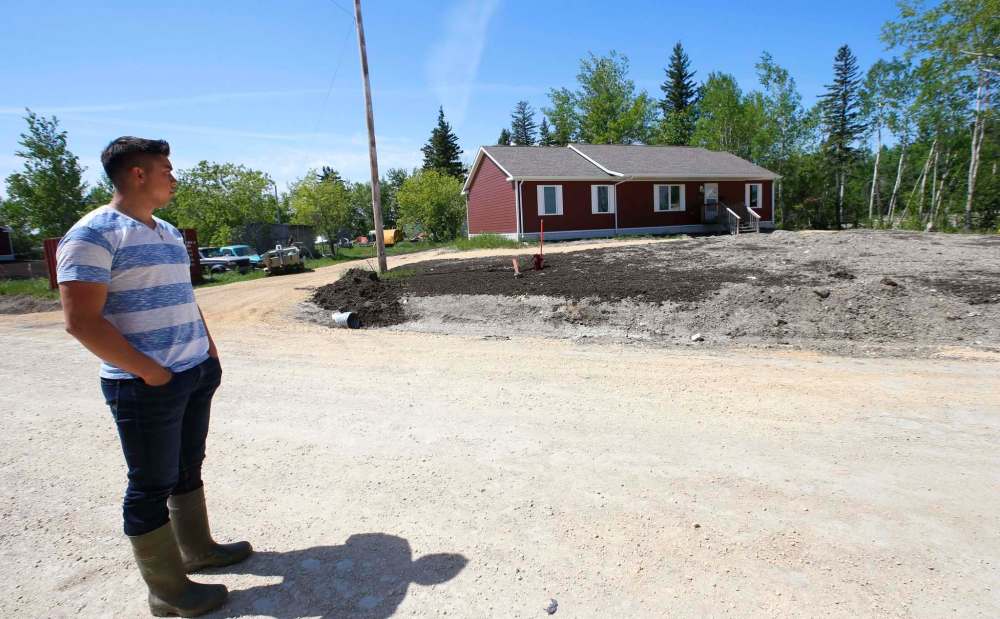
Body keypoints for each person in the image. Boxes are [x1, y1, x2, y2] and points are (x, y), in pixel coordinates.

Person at [56, 137, 251, 617]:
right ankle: (168, 593)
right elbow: (81, 321)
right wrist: (151, 373)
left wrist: (208, 353)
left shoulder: (164, 231)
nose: (174, 175)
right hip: (143, 386)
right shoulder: (93, 234)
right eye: (165, 168)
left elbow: (185, 296)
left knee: (187, 468)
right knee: (150, 485)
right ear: (137, 174)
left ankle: (198, 551)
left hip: (193, 372)